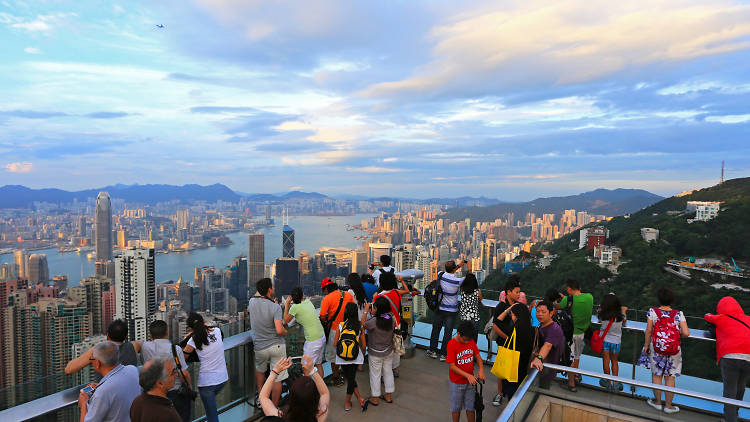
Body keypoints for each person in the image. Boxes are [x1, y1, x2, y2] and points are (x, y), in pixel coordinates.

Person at [642, 287, 689, 414]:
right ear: (672, 300)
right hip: (674, 350)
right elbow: (686, 332)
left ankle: (657, 403)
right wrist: (677, 336)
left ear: (659, 299)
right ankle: (668, 406)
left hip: (656, 348)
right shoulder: (679, 314)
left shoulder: (653, 311)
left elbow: (649, 330)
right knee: (670, 377)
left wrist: (646, 346)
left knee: (657, 375)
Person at [704, 296, 750, 422]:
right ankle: (734, 415)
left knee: (729, 392)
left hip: (730, 356)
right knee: (740, 387)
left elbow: (707, 317)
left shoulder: (721, 317)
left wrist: (710, 315)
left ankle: (730, 419)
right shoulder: (748, 319)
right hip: (749, 356)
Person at [140, 320, 193, 422]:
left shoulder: (145, 347)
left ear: (150, 335)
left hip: (153, 394)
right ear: (167, 333)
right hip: (174, 393)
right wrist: (189, 387)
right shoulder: (175, 349)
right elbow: (184, 374)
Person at [249, 278, 288, 406]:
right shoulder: (275, 307)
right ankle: (274, 407)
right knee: (277, 377)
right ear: (269, 289)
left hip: (260, 346)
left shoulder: (252, 302)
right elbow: (279, 329)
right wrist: (286, 332)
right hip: (276, 345)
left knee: (260, 371)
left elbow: (257, 298)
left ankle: (262, 400)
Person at [77, 341, 140, 422]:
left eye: (92, 358)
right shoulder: (132, 370)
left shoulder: (102, 392)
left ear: (97, 363)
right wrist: (101, 386)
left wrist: (83, 404)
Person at [183, 312, 229, 422]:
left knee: (212, 417)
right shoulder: (217, 331)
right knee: (211, 415)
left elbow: (183, 357)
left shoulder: (193, 340)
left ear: (190, 329)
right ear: (203, 322)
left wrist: (188, 338)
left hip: (207, 384)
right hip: (223, 380)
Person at [260, 355, 330, 422]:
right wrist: (312, 370)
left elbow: (263, 397)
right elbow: (325, 393)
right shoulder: (321, 414)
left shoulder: (279, 417)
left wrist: (275, 372)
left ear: (291, 397)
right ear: (315, 396)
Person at [427, 259, 469, 361]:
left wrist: (457, 266)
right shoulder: (458, 281)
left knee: (436, 329)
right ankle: (444, 354)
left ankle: (433, 350)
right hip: (451, 310)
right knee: (448, 332)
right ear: (454, 268)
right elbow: (469, 277)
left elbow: (450, 270)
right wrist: (463, 265)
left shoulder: (440, 274)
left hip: (440, 308)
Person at [66, 319, 141, 375]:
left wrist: (92, 356)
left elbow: (69, 369)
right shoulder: (134, 346)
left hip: (105, 393)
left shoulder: (98, 351)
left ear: (107, 336)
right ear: (125, 337)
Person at [374, 270, 413, 377]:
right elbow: (406, 291)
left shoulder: (378, 297)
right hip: (396, 324)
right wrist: (401, 281)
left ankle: (383, 373)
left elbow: (374, 312)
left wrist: (373, 298)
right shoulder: (396, 292)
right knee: (395, 348)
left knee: (385, 349)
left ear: (381, 283)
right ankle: (395, 369)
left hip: (383, 325)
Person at [557, 279, 593, 392]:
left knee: (572, 359)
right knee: (577, 357)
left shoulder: (568, 299)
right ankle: (575, 376)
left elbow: (558, 307)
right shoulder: (589, 297)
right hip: (584, 332)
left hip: (574, 335)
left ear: (569, 289)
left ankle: (571, 384)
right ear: (579, 288)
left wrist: (560, 300)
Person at [447, 320, 486, 422]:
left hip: (470, 383)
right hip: (457, 383)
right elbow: (452, 366)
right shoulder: (451, 344)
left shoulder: (470, 340)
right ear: (459, 334)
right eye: (465, 340)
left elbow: (477, 356)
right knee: (456, 408)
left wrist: (481, 369)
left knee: (470, 407)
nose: (467, 342)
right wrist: (467, 375)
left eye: (469, 340)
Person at [491, 276, 521, 406]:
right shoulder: (501, 306)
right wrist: (507, 338)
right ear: (508, 292)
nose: (519, 294)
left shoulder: (518, 307)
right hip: (504, 344)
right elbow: (496, 326)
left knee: (512, 369)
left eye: (519, 292)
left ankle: (509, 392)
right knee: (502, 370)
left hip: (514, 344)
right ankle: (500, 393)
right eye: (516, 292)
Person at [319, 277, 355, 386]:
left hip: (335, 330)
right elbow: (353, 309)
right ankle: (348, 374)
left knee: (333, 356)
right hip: (348, 328)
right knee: (347, 350)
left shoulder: (327, 299)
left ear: (326, 289)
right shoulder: (347, 295)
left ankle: (336, 377)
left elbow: (322, 317)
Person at [333, 302, 367, 411]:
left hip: (342, 358)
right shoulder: (360, 326)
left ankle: (359, 399)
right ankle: (347, 403)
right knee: (351, 379)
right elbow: (364, 345)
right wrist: (361, 355)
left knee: (350, 379)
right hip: (355, 357)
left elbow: (334, 344)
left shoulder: (341, 325)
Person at [284, 287, 326, 378]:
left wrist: (287, 304)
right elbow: (304, 316)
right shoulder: (308, 302)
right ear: (302, 295)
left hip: (312, 341)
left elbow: (286, 320)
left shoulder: (295, 307)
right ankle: (321, 388)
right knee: (318, 364)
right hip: (321, 336)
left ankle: (308, 391)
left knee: (306, 368)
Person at [363, 297, 395, 405]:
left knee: (375, 375)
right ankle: (388, 396)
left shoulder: (373, 321)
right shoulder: (391, 318)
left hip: (375, 353)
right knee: (388, 372)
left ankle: (375, 398)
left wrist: (366, 311)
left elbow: (363, 324)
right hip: (389, 350)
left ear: (377, 309)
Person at [530, 301, 565, 389]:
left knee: (539, 391)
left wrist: (539, 358)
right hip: (540, 367)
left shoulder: (554, 329)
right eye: (537, 311)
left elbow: (548, 345)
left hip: (546, 368)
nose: (540, 314)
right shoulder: (542, 325)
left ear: (551, 313)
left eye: (543, 312)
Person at [502, 303, 534, 399]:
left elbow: (498, 322)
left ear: (516, 316)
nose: (511, 316)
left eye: (512, 314)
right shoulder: (533, 330)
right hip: (526, 367)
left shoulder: (513, 329)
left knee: (512, 393)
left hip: (512, 367)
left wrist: (508, 309)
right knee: (521, 393)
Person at [597, 293, 627, 392]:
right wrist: (624, 311)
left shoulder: (602, 314)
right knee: (614, 361)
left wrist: (600, 309)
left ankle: (608, 382)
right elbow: (624, 322)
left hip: (605, 341)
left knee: (606, 361)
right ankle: (615, 383)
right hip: (616, 342)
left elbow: (599, 320)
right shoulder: (621, 315)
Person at [459, 273, 482, 342]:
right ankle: (472, 350)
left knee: (464, 335)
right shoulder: (477, 292)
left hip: (464, 315)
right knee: (473, 336)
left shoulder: (462, 290)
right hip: (474, 316)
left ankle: (464, 351)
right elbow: (480, 299)